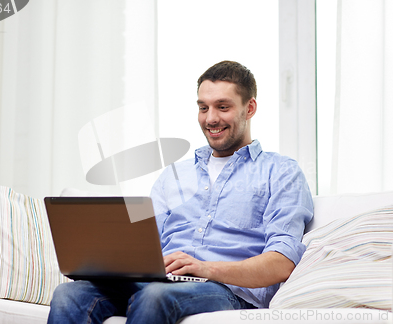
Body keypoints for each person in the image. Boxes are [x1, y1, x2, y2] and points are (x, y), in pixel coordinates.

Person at [47, 61, 314, 324]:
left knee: (155, 296)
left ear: (250, 107)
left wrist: (206, 269)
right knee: (69, 294)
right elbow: (146, 240)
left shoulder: (281, 172)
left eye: (223, 107)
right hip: (160, 282)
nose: (211, 118)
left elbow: (282, 262)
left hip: (225, 290)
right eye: (203, 108)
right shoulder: (172, 176)